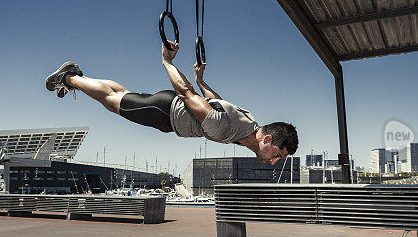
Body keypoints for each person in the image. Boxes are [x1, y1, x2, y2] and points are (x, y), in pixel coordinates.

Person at [45, 43, 298, 165]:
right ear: (267, 140)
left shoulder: (248, 123)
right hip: (164, 112)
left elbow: (214, 102)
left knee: (123, 93)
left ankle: (77, 76)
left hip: (167, 111)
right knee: (112, 102)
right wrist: (167, 62)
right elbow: (188, 95)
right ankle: (70, 78)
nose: (275, 161)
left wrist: (201, 80)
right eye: (278, 154)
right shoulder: (229, 129)